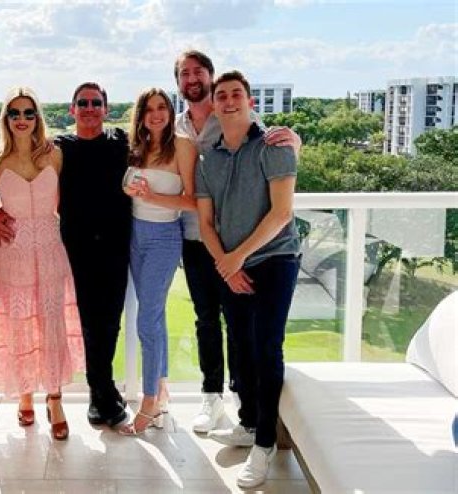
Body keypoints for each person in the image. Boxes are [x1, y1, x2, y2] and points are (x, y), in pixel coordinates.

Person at [173, 50, 302, 433]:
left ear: (210, 78)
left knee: (242, 329)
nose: (192, 78)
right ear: (178, 82)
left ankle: (246, 409)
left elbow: (273, 150)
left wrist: (296, 142)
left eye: (198, 71)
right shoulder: (177, 125)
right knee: (206, 320)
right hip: (198, 236)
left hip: (245, 244)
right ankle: (211, 397)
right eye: (184, 73)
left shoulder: (235, 114)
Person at [0, 82, 132, 427]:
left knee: (107, 322)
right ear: (72, 109)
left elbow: (159, 143)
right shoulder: (60, 149)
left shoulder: (120, 142)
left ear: (106, 108)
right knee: (69, 322)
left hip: (113, 245)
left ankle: (100, 391)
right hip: (70, 248)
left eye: (96, 103)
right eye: (82, 103)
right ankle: (87, 394)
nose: (89, 109)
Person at [196, 70, 301, 488]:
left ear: (250, 102)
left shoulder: (274, 146)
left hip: (275, 260)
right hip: (231, 265)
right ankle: (248, 421)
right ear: (214, 105)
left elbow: (282, 213)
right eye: (221, 96)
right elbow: (206, 222)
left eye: (236, 94)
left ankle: (265, 442)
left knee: (265, 348)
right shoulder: (208, 158)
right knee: (238, 345)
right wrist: (227, 264)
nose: (228, 101)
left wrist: (236, 258)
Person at [0, 87, 84, 441]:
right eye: (15, 113)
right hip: (13, 251)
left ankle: (55, 400)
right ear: (6, 119)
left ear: (37, 117)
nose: (22, 119)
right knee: (20, 321)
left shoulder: (54, 154)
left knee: (51, 323)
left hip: (51, 248)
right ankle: (25, 393)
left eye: (28, 112)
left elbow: (74, 198)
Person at [118, 88, 197, 435]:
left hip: (164, 237)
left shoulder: (182, 146)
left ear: (170, 110)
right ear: (141, 114)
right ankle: (162, 390)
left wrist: (152, 196)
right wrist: (132, 192)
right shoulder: (136, 148)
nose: (156, 114)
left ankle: (148, 402)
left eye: (162, 107)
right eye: (149, 109)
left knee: (146, 322)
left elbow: (193, 201)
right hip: (135, 234)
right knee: (156, 315)